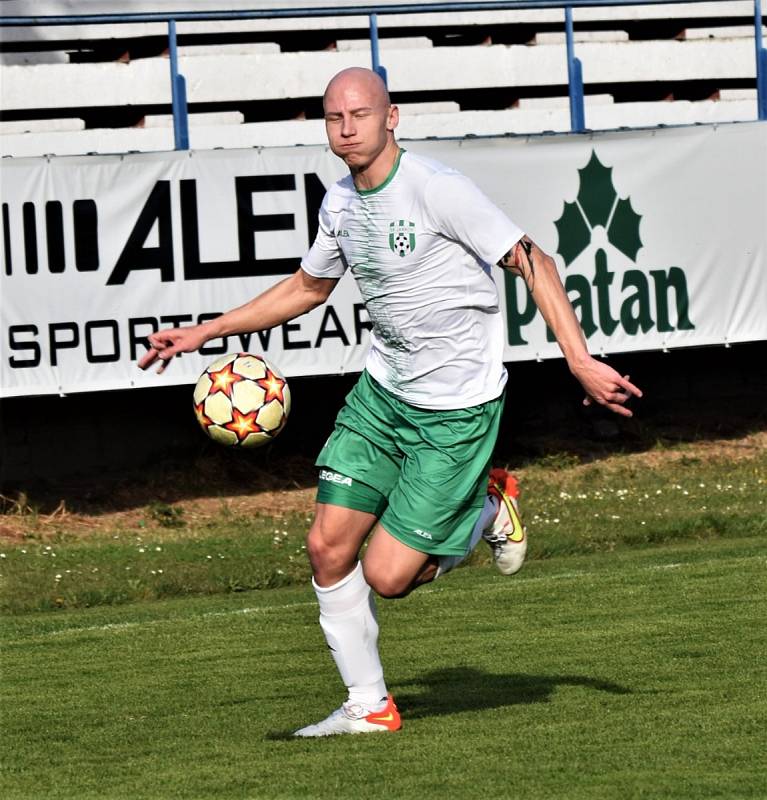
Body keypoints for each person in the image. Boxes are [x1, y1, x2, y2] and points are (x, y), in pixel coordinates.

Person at [139, 67, 642, 737]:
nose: (345, 127)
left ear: (391, 118)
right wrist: (206, 331)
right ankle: (368, 706)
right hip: (381, 397)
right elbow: (306, 288)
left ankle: (490, 507)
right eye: (332, 117)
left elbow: (531, 259)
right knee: (325, 547)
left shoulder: (436, 190)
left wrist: (576, 358)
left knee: (388, 577)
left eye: (359, 114)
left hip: (454, 412)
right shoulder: (340, 203)